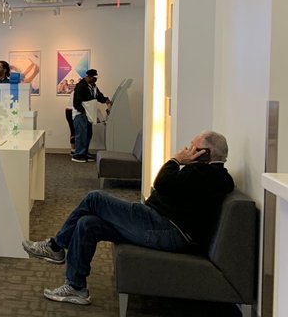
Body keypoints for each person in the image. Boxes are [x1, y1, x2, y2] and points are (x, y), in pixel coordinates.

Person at [23, 131, 234, 306]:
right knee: (87, 224)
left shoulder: (209, 175)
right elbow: (170, 189)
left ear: (206, 153)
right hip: (156, 222)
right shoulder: (206, 174)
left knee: (95, 198)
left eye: (193, 147)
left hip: (166, 230)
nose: (188, 150)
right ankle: (76, 287)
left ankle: (56, 246)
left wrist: (176, 160)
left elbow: (161, 183)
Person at [71, 68, 111, 162]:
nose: (95, 80)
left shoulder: (93, 86)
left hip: (89, 114)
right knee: (81, 135)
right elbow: (76, 102)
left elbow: (99, 96)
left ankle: (84, 153)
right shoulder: (80, 86)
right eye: (93, 78)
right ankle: (78, 155)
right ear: (88, 77)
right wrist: (83, 111)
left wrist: (106, 100)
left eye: (96, 78)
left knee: (88, 134)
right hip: (80, 114)